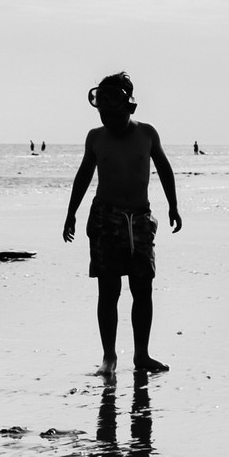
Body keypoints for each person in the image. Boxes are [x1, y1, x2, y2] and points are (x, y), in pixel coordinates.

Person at [63, 72, 182, 376]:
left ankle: (141, 354)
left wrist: (173, 205)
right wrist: (71, 212)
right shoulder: (96, 138)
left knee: (142, 289)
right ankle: (109, 357)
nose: (108, 118)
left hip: (140, 219)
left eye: (114, 111)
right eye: (102, 112)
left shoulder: (148, 134)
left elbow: (165, 169)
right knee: (108, 291)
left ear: (131, 107)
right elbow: (83, 176)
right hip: (106, 218)